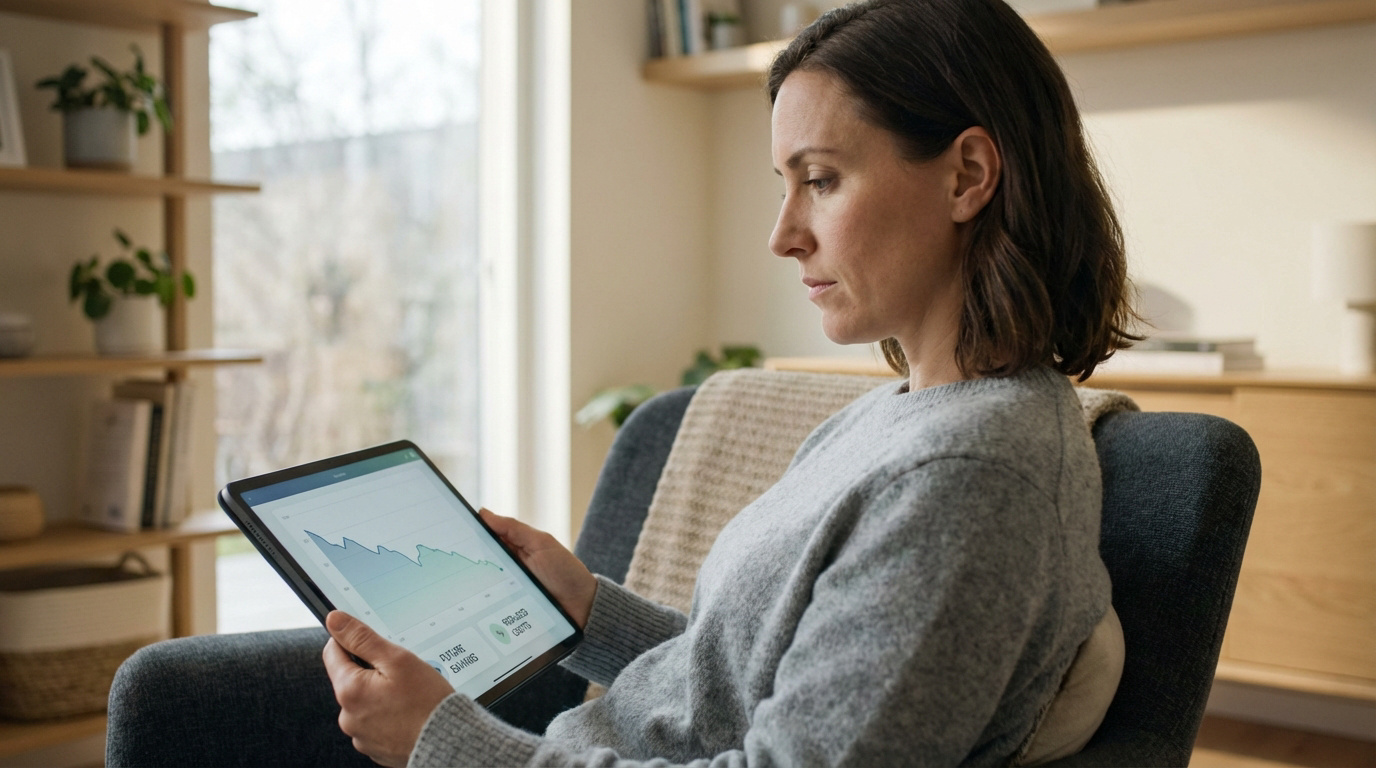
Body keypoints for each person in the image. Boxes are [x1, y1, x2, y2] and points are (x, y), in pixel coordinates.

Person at [108, 1, 1138, 765]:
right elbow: (754, 680)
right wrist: (588, 608)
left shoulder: (969, 476)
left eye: (820, 180)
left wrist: (447, 745)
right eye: (783, 184)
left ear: (966, 175)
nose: (782, 234)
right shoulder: (900, 415)